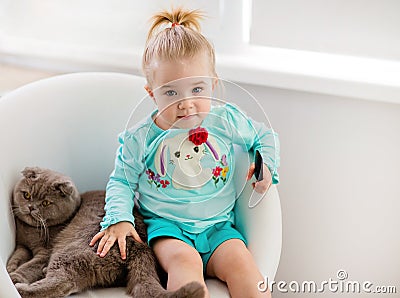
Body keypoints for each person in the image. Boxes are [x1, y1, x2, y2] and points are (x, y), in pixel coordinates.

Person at [90, 7, 279, 298]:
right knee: (184, 263)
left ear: (213, 85)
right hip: (169, 229)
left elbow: (265, 136)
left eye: (197, 88)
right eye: (171, 93)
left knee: (243, 266)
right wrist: (120, 218)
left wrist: (265, 164)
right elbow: (122, 182)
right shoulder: (141, 137)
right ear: (151, 93)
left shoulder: (225, 120)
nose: (186, 104)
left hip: (219, 227)